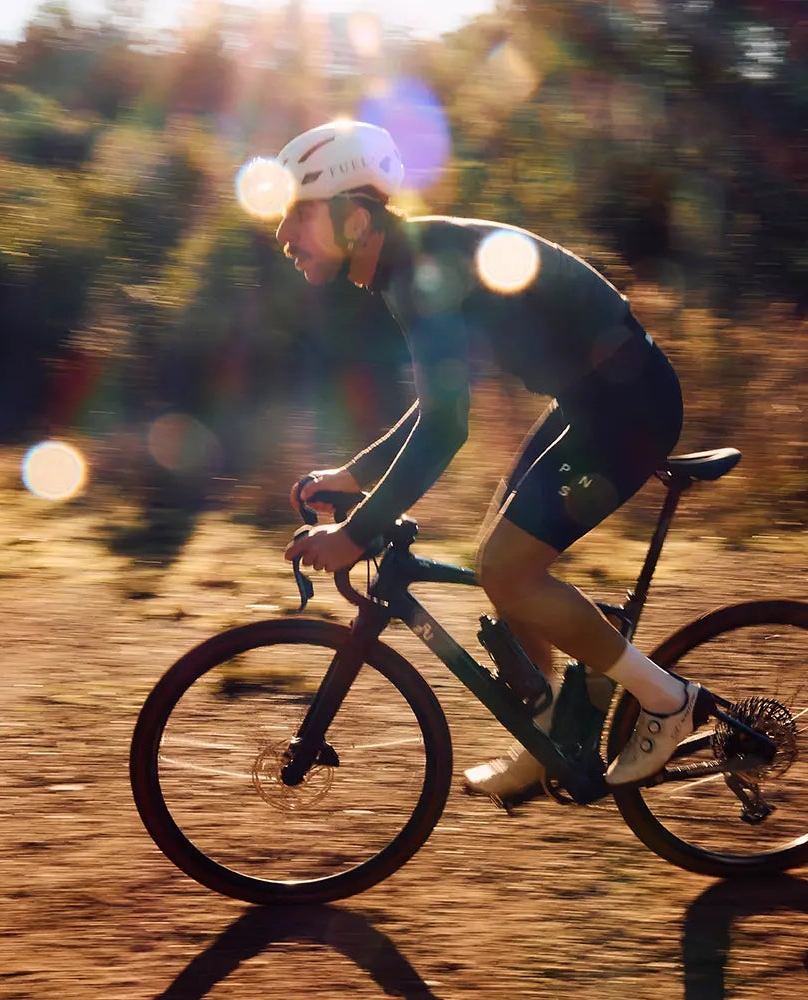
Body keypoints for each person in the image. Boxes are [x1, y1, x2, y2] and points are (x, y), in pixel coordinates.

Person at [272, 120, 697, 801]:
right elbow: (437, 405)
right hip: (592, 401)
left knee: (506, 568)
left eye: (299, 213)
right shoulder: (409, 262)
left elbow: (446, 428)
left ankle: (668, 701)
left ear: (354, 218)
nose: (283, 234)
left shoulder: (420, 272)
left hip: (629, 408)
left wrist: (356, 531)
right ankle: (549, 730)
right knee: (498, 560)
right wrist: (356, 476)